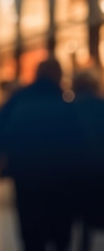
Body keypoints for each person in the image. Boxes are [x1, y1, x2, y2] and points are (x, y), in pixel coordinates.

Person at [0, 58, 86, 251]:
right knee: (60, 234)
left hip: (26, 175)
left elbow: (0, 130)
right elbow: (79, 141)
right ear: (58, 76)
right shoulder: (66, 103)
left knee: (31, 235)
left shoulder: (20, 99)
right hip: (60, 178)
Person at [71, 69, 104, 250]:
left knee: (83, 223)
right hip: (100, 170)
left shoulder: (70, 110)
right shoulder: (102, 108)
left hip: (78, 172)